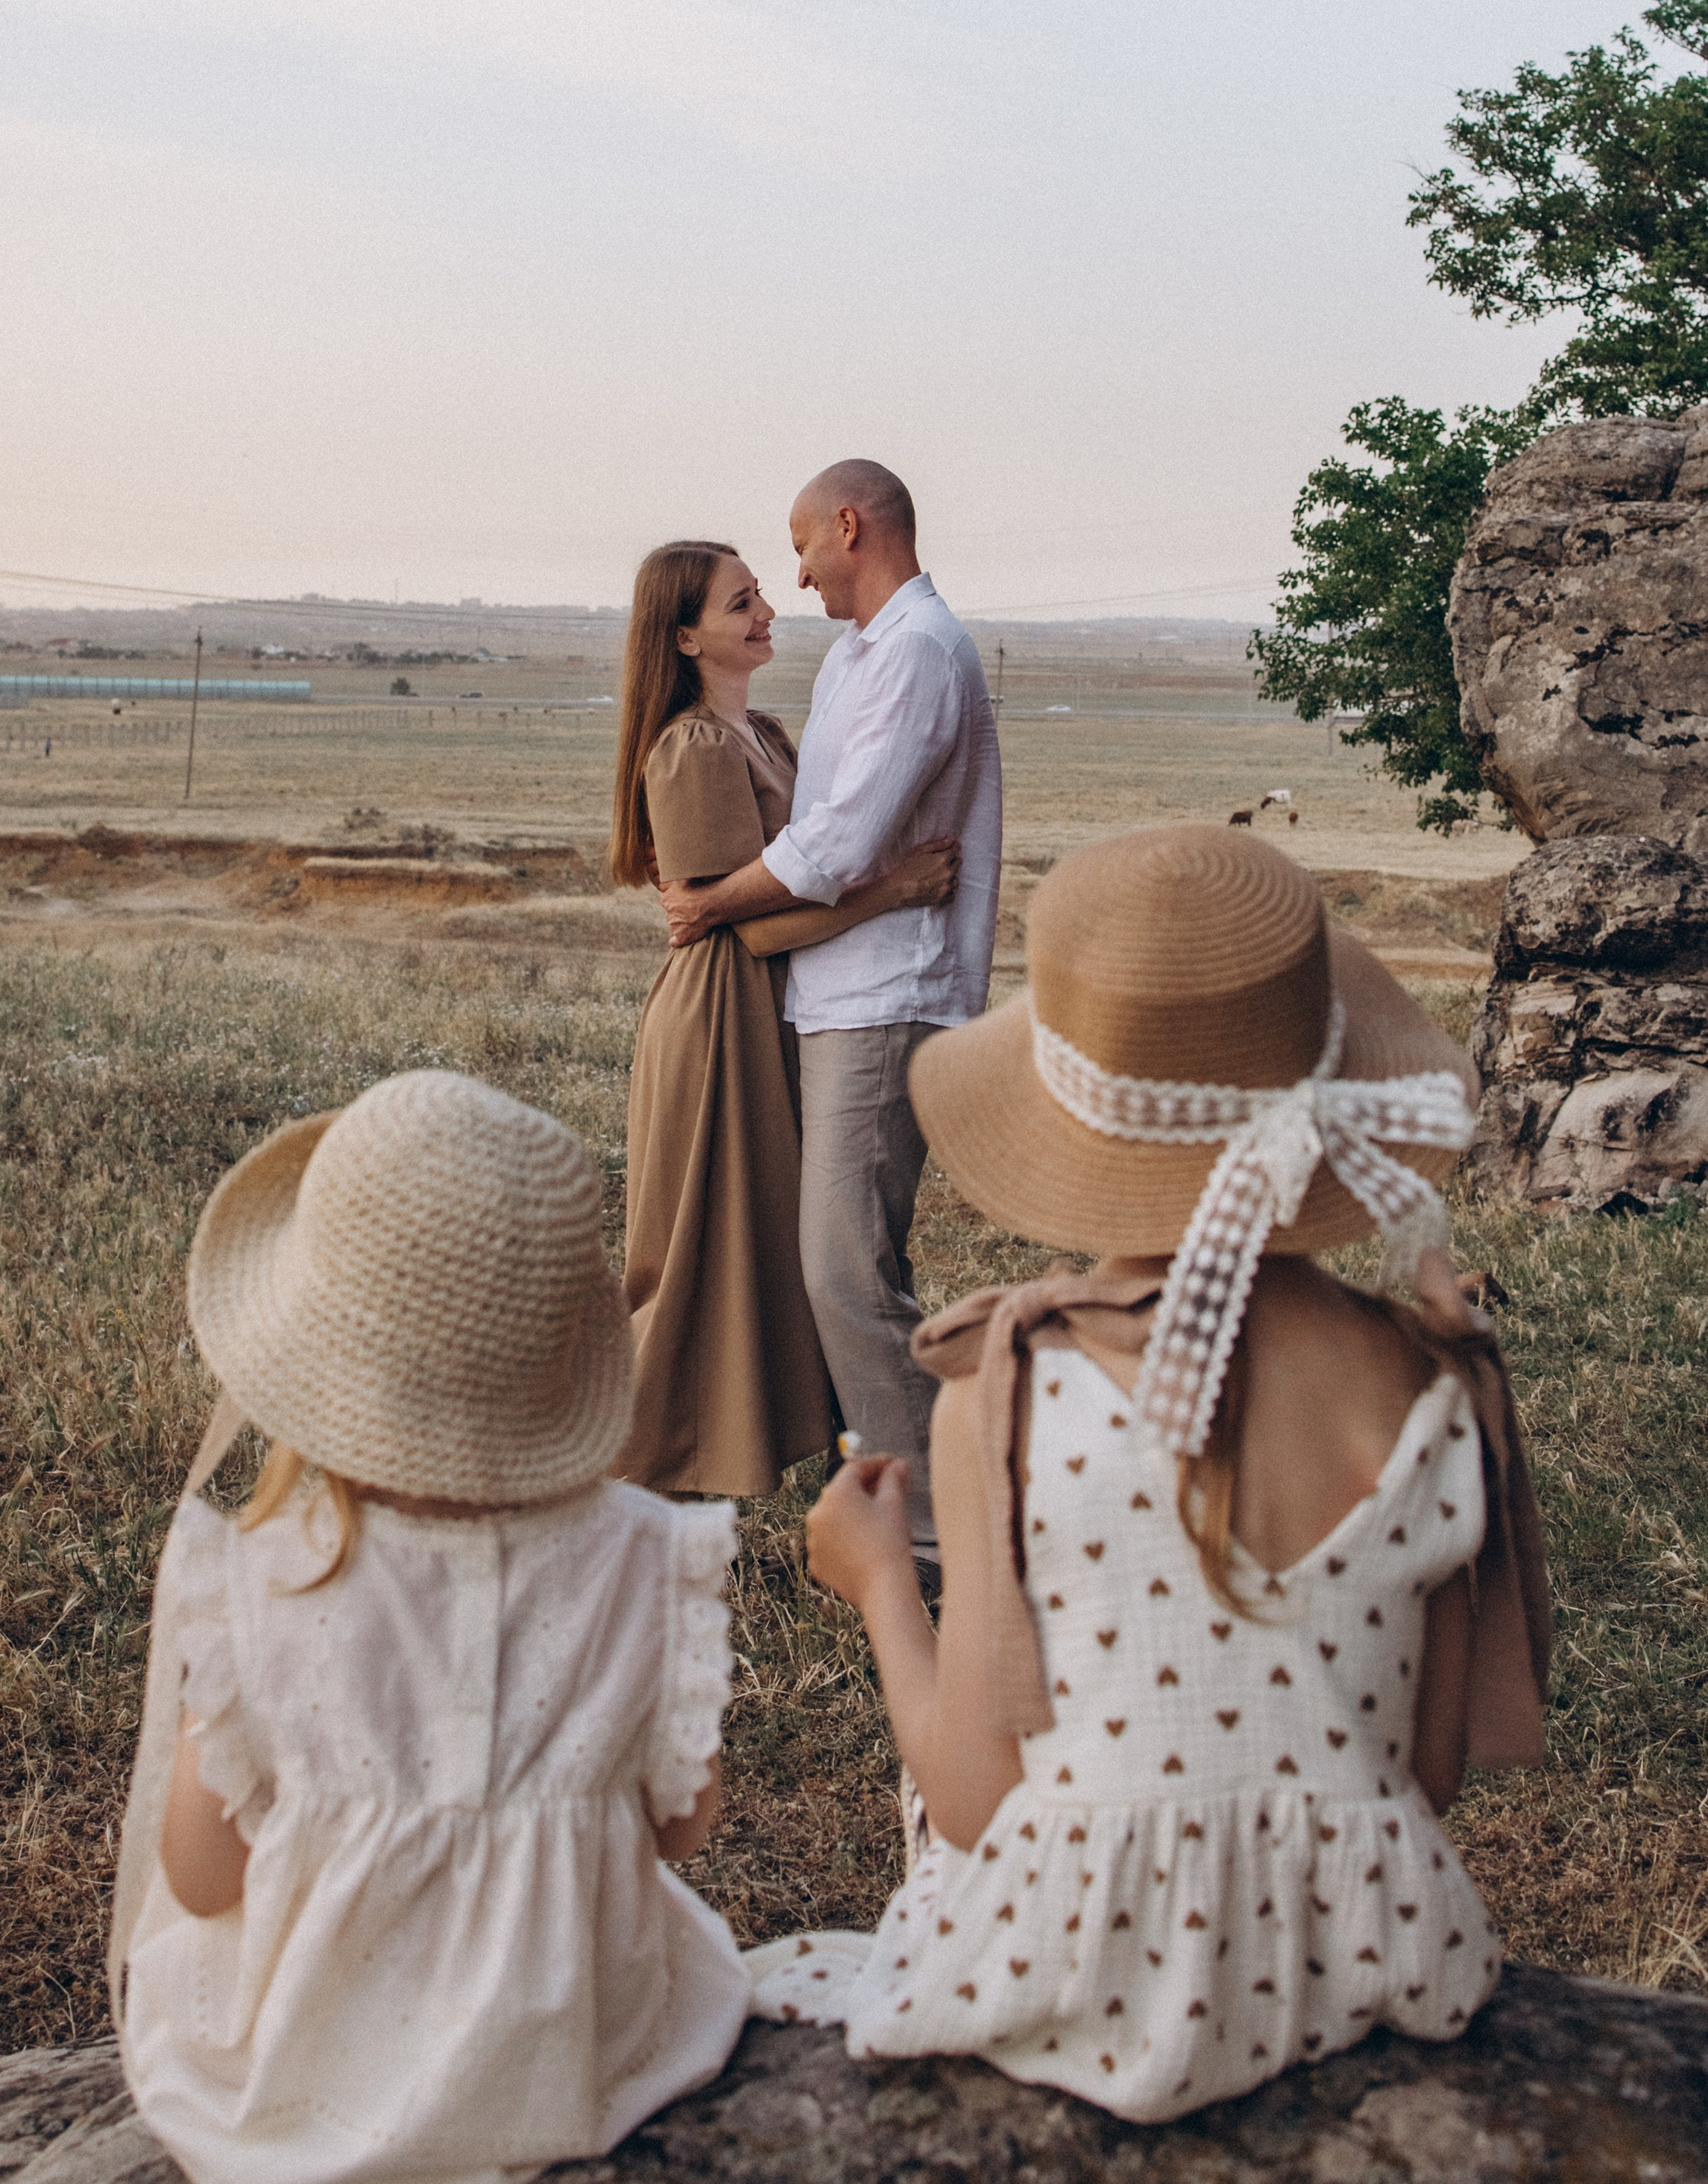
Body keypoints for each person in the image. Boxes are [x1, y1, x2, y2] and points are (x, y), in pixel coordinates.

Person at [743, 827, 1551, 2125]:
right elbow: (1429, 1772)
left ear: (1061, 1114)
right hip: (1359, 1963)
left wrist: (883, 1582)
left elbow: (972, 1804)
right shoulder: (1428, 1380)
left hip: (1071, 1977)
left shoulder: (1006, 1390)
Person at [108, 1070, 750, 2184]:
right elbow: (681, 1830)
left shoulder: (263, 1582)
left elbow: (204, 1877)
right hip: (578, 2055)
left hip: (312, 2079)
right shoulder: (651, 1556)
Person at [660, 464, 1001, 1578]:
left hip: (885, 994)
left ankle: (940, 1538)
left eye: (801, 549)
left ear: (851, 527)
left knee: (845, 1273)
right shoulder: (862, 655)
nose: (796, 579)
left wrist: (711, 903)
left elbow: (841, 844)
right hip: (835, 994)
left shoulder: (914, 653)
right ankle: (894, 1492)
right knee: (848, 1263)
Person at [612, 540, 960, 1497]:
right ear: (684, 637)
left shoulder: (762, 730)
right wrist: (893, 890)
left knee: (778, 1251)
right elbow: (745, 929)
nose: (766, 610)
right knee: (698, 1261)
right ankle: (623, 1463)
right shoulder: (692, 749)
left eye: (759, 593)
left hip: (769, 1013)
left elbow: (787, 876)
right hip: (720, 1016)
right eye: (739, 604)